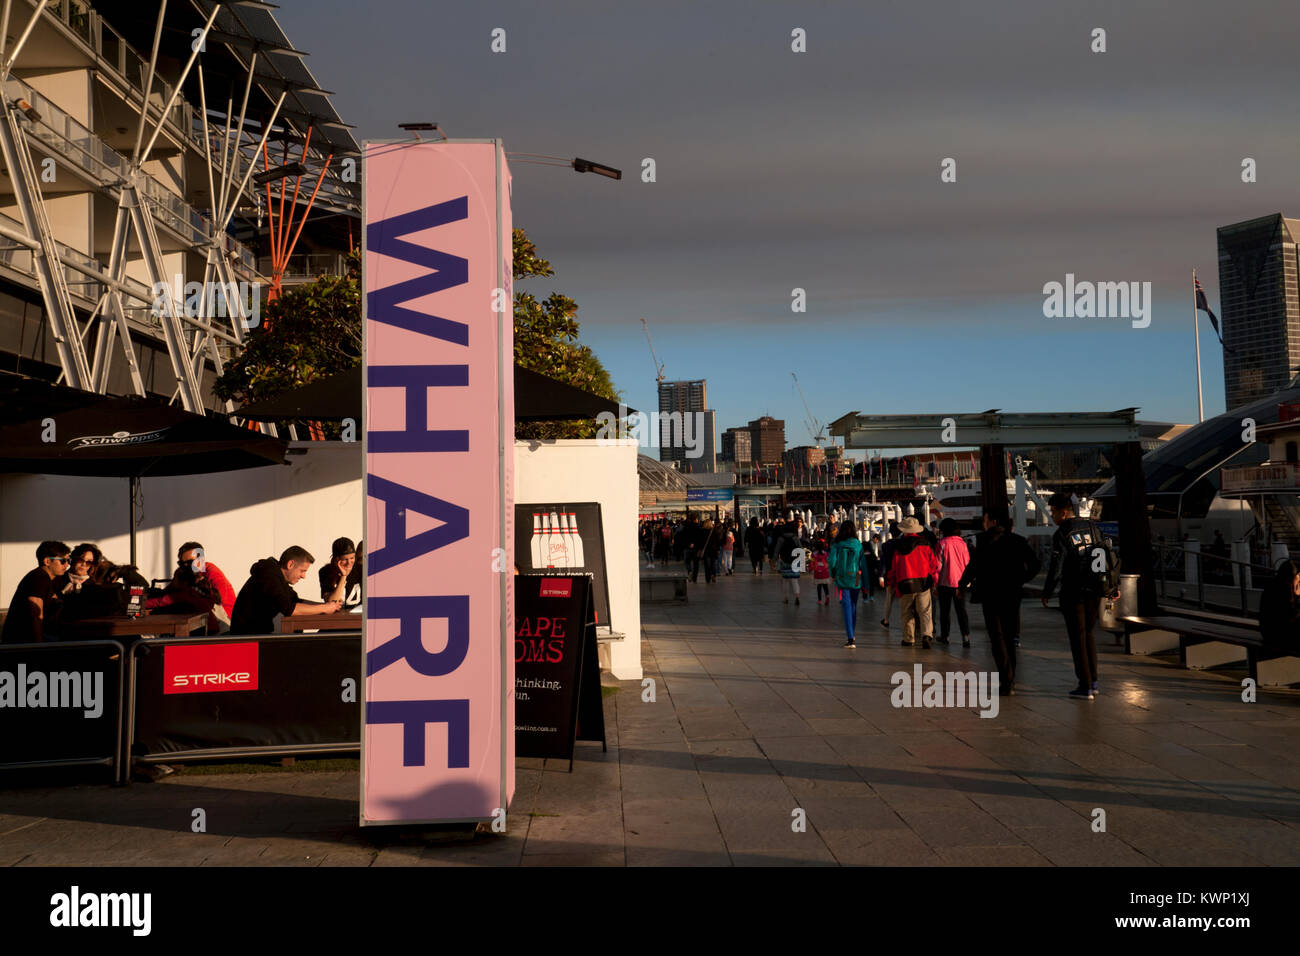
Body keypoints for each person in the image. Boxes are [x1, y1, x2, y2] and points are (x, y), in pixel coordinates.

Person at [1041, 492, 1115, 700]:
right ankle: (1094, 680)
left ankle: (1085, 685)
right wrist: (1109, 586)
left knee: (1077, 638)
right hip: (1094, 589)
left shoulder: (1062, 533)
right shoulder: (1092, 527)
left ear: (1063, 513)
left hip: (1073, 591)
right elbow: (1104, 555)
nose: (1052, 515)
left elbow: (1056, 567)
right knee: (1088, 635)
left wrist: (1047, 592)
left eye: (1053, 511)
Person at [959, 511, 1041, 695]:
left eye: (985, 520)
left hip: (990, 594)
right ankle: (1010, 678)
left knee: (996, 637)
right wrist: (1021, 579)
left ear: (993, 521)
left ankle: (1006, 680)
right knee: (1010, 636)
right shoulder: (1019, 541)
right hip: (1012, 593)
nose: (983, 524)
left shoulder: (983, 541)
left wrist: (962, 584)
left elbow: (974, 565)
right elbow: (1035, 564)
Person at [229, 546, 342, 635]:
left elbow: (296, 601)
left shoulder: (276, 577)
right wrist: (325, 608)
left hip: (258, 635)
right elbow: (289, 609)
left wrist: (329, 605)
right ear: (290, 564)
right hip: (248, 638)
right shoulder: (268, 576)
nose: (303, 576)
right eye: (302, 571)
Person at [1, 540, 71, 644]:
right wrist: (38, 645)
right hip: (21, 641)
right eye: (62, 561)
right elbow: (36, 614)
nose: (66, 565)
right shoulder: (39, 578)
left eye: (68, 560)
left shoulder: (50, 579)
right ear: (47, 561)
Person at [886, 517, 939, 648]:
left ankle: (909, 639)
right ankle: (926, 634)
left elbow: (894, 567)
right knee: (925, 611)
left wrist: (891, 581)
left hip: (904, 583)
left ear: (903, 530)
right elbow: (934, 564)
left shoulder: (898, 546)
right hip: (923, 583)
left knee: (907, 612)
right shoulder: (925, 544)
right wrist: (932, 578)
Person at [175, 542, 236, 623]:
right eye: (182, 564)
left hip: (226, 623)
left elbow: (219, 600)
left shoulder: (212, 572)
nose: (186, 566)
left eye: (190, 562)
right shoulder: (184, 574)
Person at [936, 518, 972, 647]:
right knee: (961, 611)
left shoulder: (942, 543)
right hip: (960, 584)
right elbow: (967, 563)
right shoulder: (962, 543)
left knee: (945, 612)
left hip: (945, 583)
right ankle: (965, 637)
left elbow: (938, 566)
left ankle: (945, 636)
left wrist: (935, 582)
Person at [830, 520, 864, 647]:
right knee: (854, 606)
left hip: (842, 577)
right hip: (855, 578)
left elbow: (832, 561)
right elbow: (862, 563)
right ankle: (852, 634)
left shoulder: (837, 544)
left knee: (846, 607)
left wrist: (833, 574)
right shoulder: (858, 544)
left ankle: (850, 638)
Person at [1259, 560, 1300, 649]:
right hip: (1280, 637)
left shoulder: (1271, 585)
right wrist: (1297, 594)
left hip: (1267, 634)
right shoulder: (1286, 590)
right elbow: (1291, 616)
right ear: (1292, 577)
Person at [320, 537, 362, 608]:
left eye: (352, 558)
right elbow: (331, 603)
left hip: (357, 617)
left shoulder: (360, 569)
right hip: (337, 618)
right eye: (344, 559)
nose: (349, 563)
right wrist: (344, 576)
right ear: (336, 559)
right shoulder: (325, 571)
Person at [773, 519, 803, 605]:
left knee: (785, 580)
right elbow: (800, 549)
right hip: (795, 561)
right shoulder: (795, 537)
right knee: (795, 580)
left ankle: (786, 598)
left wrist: (774, 561)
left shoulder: (781, 538)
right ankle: (797, 596)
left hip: (784, 561)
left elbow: (777, 550)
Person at [878, 522, 902, 627]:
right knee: (904, 600)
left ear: (890, 532)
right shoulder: (904, 543)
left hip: (890, 575)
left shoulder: (885, 545)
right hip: (902, 574)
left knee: (889, 599)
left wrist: (881, 576)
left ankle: (886, 619)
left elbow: (883, 562)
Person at [700, 520, 721, 584]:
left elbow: (701, 542)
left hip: (706, 550)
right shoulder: (714, 531)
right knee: (713, 564)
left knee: (707, 565)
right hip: (713, 550)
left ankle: (708, 578)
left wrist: (700, 549)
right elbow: (718, 541)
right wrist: (718, 549)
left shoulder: (702, 531)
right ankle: (713, 575)